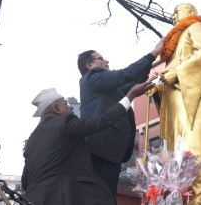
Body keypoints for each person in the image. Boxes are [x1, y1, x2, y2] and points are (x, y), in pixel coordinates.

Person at [21, 82, 154, 205]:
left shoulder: (32, 139)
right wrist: (129, 97)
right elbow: (102, 121)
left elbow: (25, 179)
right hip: (66, 198)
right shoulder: (65, 123)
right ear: (56, 109)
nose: (70, 107)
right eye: (66, 103)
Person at [77, 38, 164, 200]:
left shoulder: (109, 90)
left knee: (108, 196)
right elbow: (125, 74)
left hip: (110, 155)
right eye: (101, 59)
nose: (106, 61)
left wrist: (150, 65)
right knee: (102, 197)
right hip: (99, 151)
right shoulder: (93, 77)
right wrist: (155, 52)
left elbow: (133, 82)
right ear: (89, 66)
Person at [147, 3, 201, 204]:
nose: (174, 17)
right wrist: (158, 86)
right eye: (173, 14)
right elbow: (170, 75)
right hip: (175, 110)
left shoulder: (197, 27)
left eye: (177, 13)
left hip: (192, 106)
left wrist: (177, 72)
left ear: (190, 12)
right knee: (177, 177)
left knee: (196, 169)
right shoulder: (174, 44)